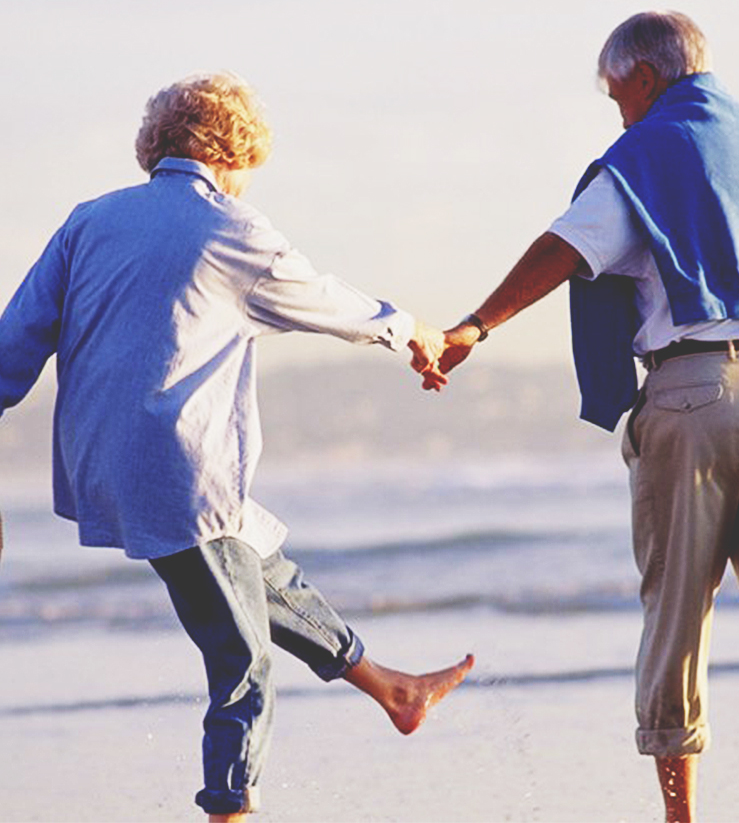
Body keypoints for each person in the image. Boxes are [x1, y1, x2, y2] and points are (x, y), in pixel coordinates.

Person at [430, 12, 739, 823]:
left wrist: (474, 326)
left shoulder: (648, 151)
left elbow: (566, 246)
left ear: (645, 77)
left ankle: (680, 815)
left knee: (678, 607)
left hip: (695, 393)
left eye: (618, 93)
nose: (618, 111)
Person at [0, 73, 473, 822]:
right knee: (243, 659)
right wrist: (414, 331)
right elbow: (328, 301)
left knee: (265, 570)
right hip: (179, 469)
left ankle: (393, 688)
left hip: (101, 464)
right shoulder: (233, 228)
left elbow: (9, 349)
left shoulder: (86, 222)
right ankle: (231, 810)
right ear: (230, 148)